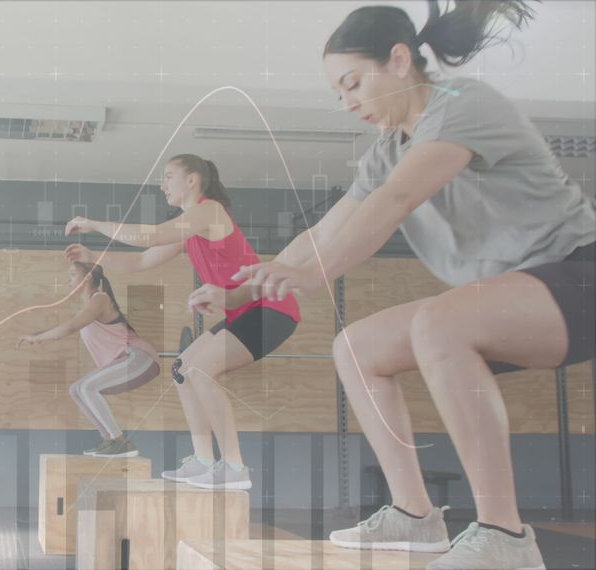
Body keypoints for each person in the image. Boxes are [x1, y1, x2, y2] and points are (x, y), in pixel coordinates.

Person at [194, 1, 594, 567]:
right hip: (513, 298)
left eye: (354, 83)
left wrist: (311, 277)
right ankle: (414, 515)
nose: (348, 102)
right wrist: (244, 291)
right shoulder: (387, 152)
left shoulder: (461, 105)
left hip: (580, 279)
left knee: (440, 320)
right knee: (357, 348)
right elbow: (323, 232)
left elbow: (397, 200)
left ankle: (505, 537)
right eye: (339, 93)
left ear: (400, 60)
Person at [65, 153, 301, 490]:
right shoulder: (189, 229)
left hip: (272, 309)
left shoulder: (209, 211)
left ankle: (234, 467)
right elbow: (144, 260)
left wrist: (96, 224)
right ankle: (204, 460)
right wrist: (93, 257)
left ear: (192, 180)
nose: (162, 185)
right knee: (182, 369)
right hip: (245, 311)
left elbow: (151, 236)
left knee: (201, 370)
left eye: (169, 176)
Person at [17, 261, 160, 457]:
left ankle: (120, 441)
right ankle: (109, 440)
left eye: (72, 275)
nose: (68, 280)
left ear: (87, 278)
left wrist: (38, 338)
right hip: (125, 361)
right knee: (76, 389)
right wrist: (37, 335)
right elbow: (70, 325)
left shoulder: (100, 299)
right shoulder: (90, 305)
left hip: (138, 358)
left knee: (86, 387)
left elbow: (69, 328)